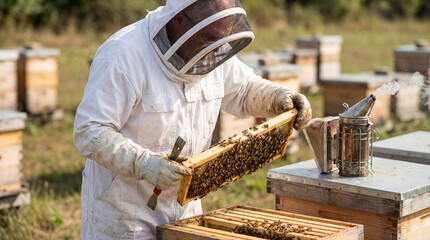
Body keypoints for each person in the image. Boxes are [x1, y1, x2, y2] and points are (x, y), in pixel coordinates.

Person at [73, 0, 312, 239]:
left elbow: (244, 89)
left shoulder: (212, 48)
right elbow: (89, 130)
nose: (216, 50)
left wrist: (278, 97)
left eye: (223, 39)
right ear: (179, 20)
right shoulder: (123, 55)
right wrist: (143, 163)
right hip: (125, 213)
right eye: (210, 39)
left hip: (185, 208)